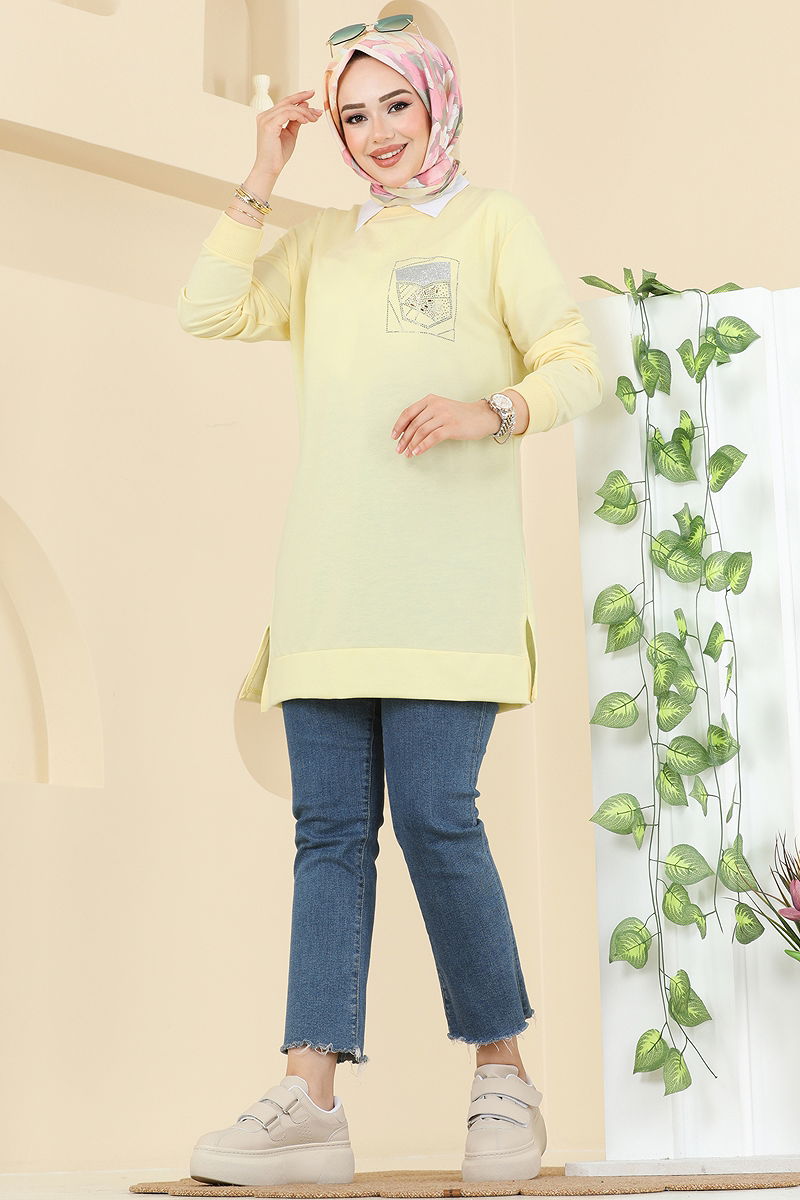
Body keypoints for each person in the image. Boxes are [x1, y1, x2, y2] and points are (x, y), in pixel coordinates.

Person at [176, 15, 604, 1191]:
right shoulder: (320, 244)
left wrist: (488, 410)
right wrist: (260, 176)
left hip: (446, 594)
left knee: (434, 818)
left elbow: (573, 363)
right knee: (327, 835)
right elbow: (206, 309)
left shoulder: (491, 222)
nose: (374, 134)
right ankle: (308, 1101)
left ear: (436, 104)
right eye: (352, 115)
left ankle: (503, 1077)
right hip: (327, 594)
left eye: (395, 107)